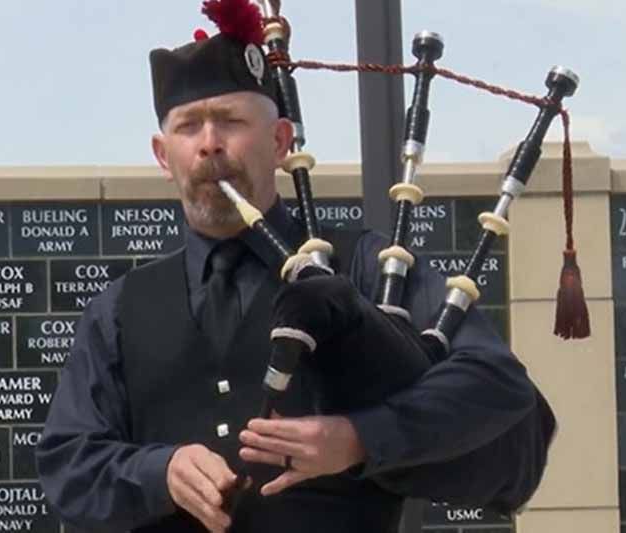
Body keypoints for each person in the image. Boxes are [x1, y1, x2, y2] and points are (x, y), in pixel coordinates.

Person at [36, 6, 549, 533]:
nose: (210, 143)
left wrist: (358, 438)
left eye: (231, 121)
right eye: (188, 127)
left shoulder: (362, 267)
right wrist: (158, 472)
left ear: (280, 141)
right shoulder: (120, 309)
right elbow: (67, 464)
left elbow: (494, 384)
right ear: (164, 155)